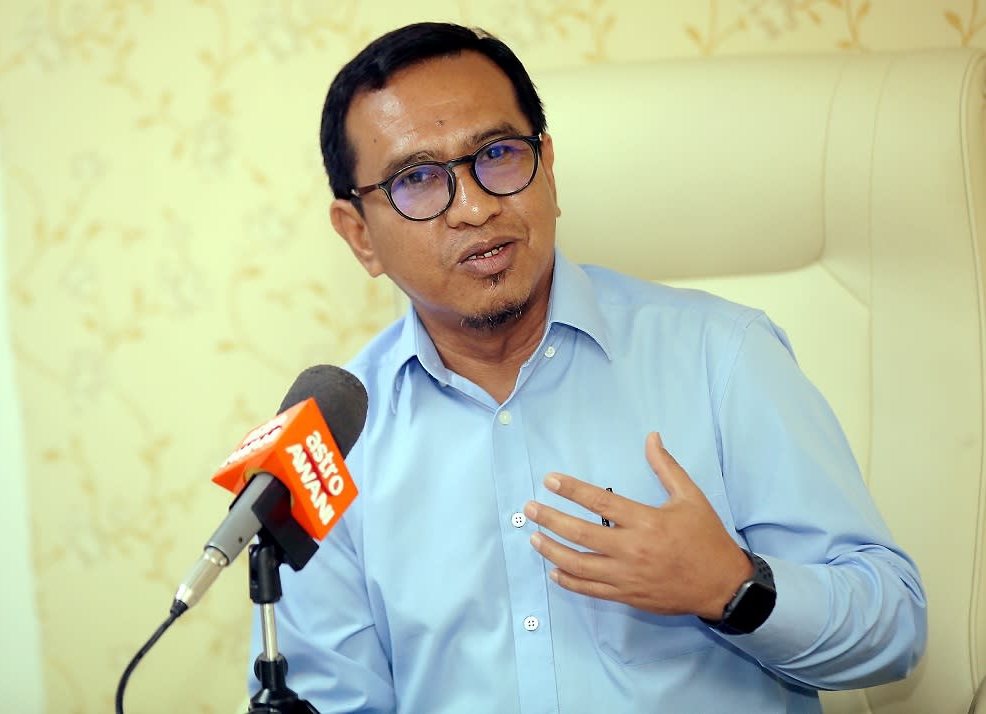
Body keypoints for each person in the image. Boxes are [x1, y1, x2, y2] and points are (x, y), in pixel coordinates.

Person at [249, 21, 927, 713]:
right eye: (417, 179)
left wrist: (732, 587)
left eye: (498, 154)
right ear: (359, 235)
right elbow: (328, 697)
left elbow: (895, 630)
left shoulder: (720, 354)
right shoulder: (329, 447)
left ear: (547, 164)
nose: (477, 206)